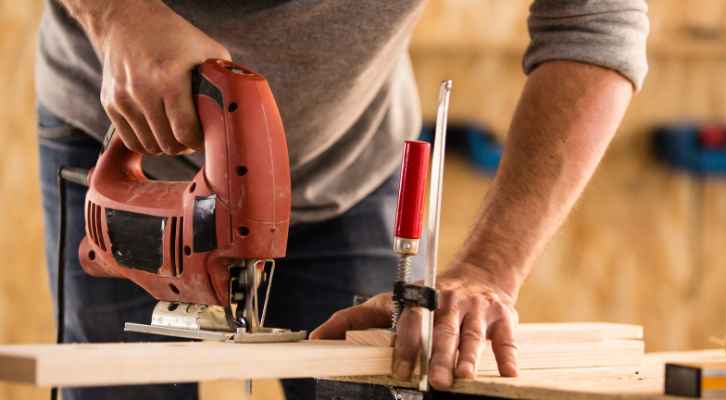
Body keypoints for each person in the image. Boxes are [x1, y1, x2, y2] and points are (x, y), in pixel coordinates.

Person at [36, 1, 649, 399]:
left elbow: (597, 25)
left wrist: (491, 268)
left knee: (373, 384)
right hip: (121, 160)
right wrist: (119, 15)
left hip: (350, 162)